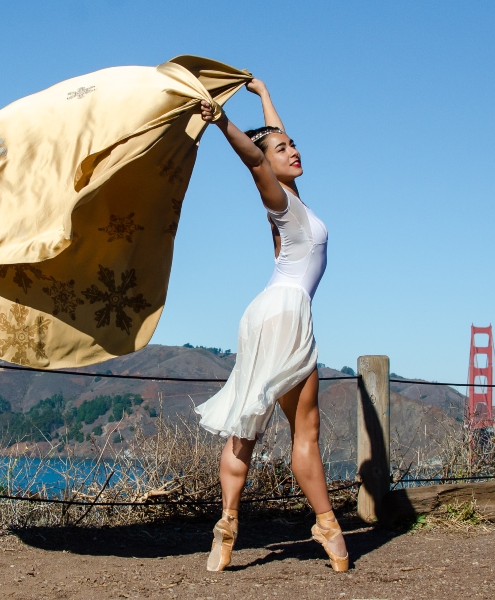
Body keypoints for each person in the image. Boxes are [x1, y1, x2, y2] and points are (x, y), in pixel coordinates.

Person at [194, 80, 349, 572]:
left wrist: (260, 92)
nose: (294, 149)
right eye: (285, 149)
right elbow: (257, 160)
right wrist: (221, 122)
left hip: (263, 312)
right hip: (286, 312)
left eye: (294, 144)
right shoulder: (278, 199)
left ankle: (226, 530)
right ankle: (328, 527)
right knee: (305, 432)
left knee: (245, 430)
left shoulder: (293, 199)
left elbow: (271, 140)